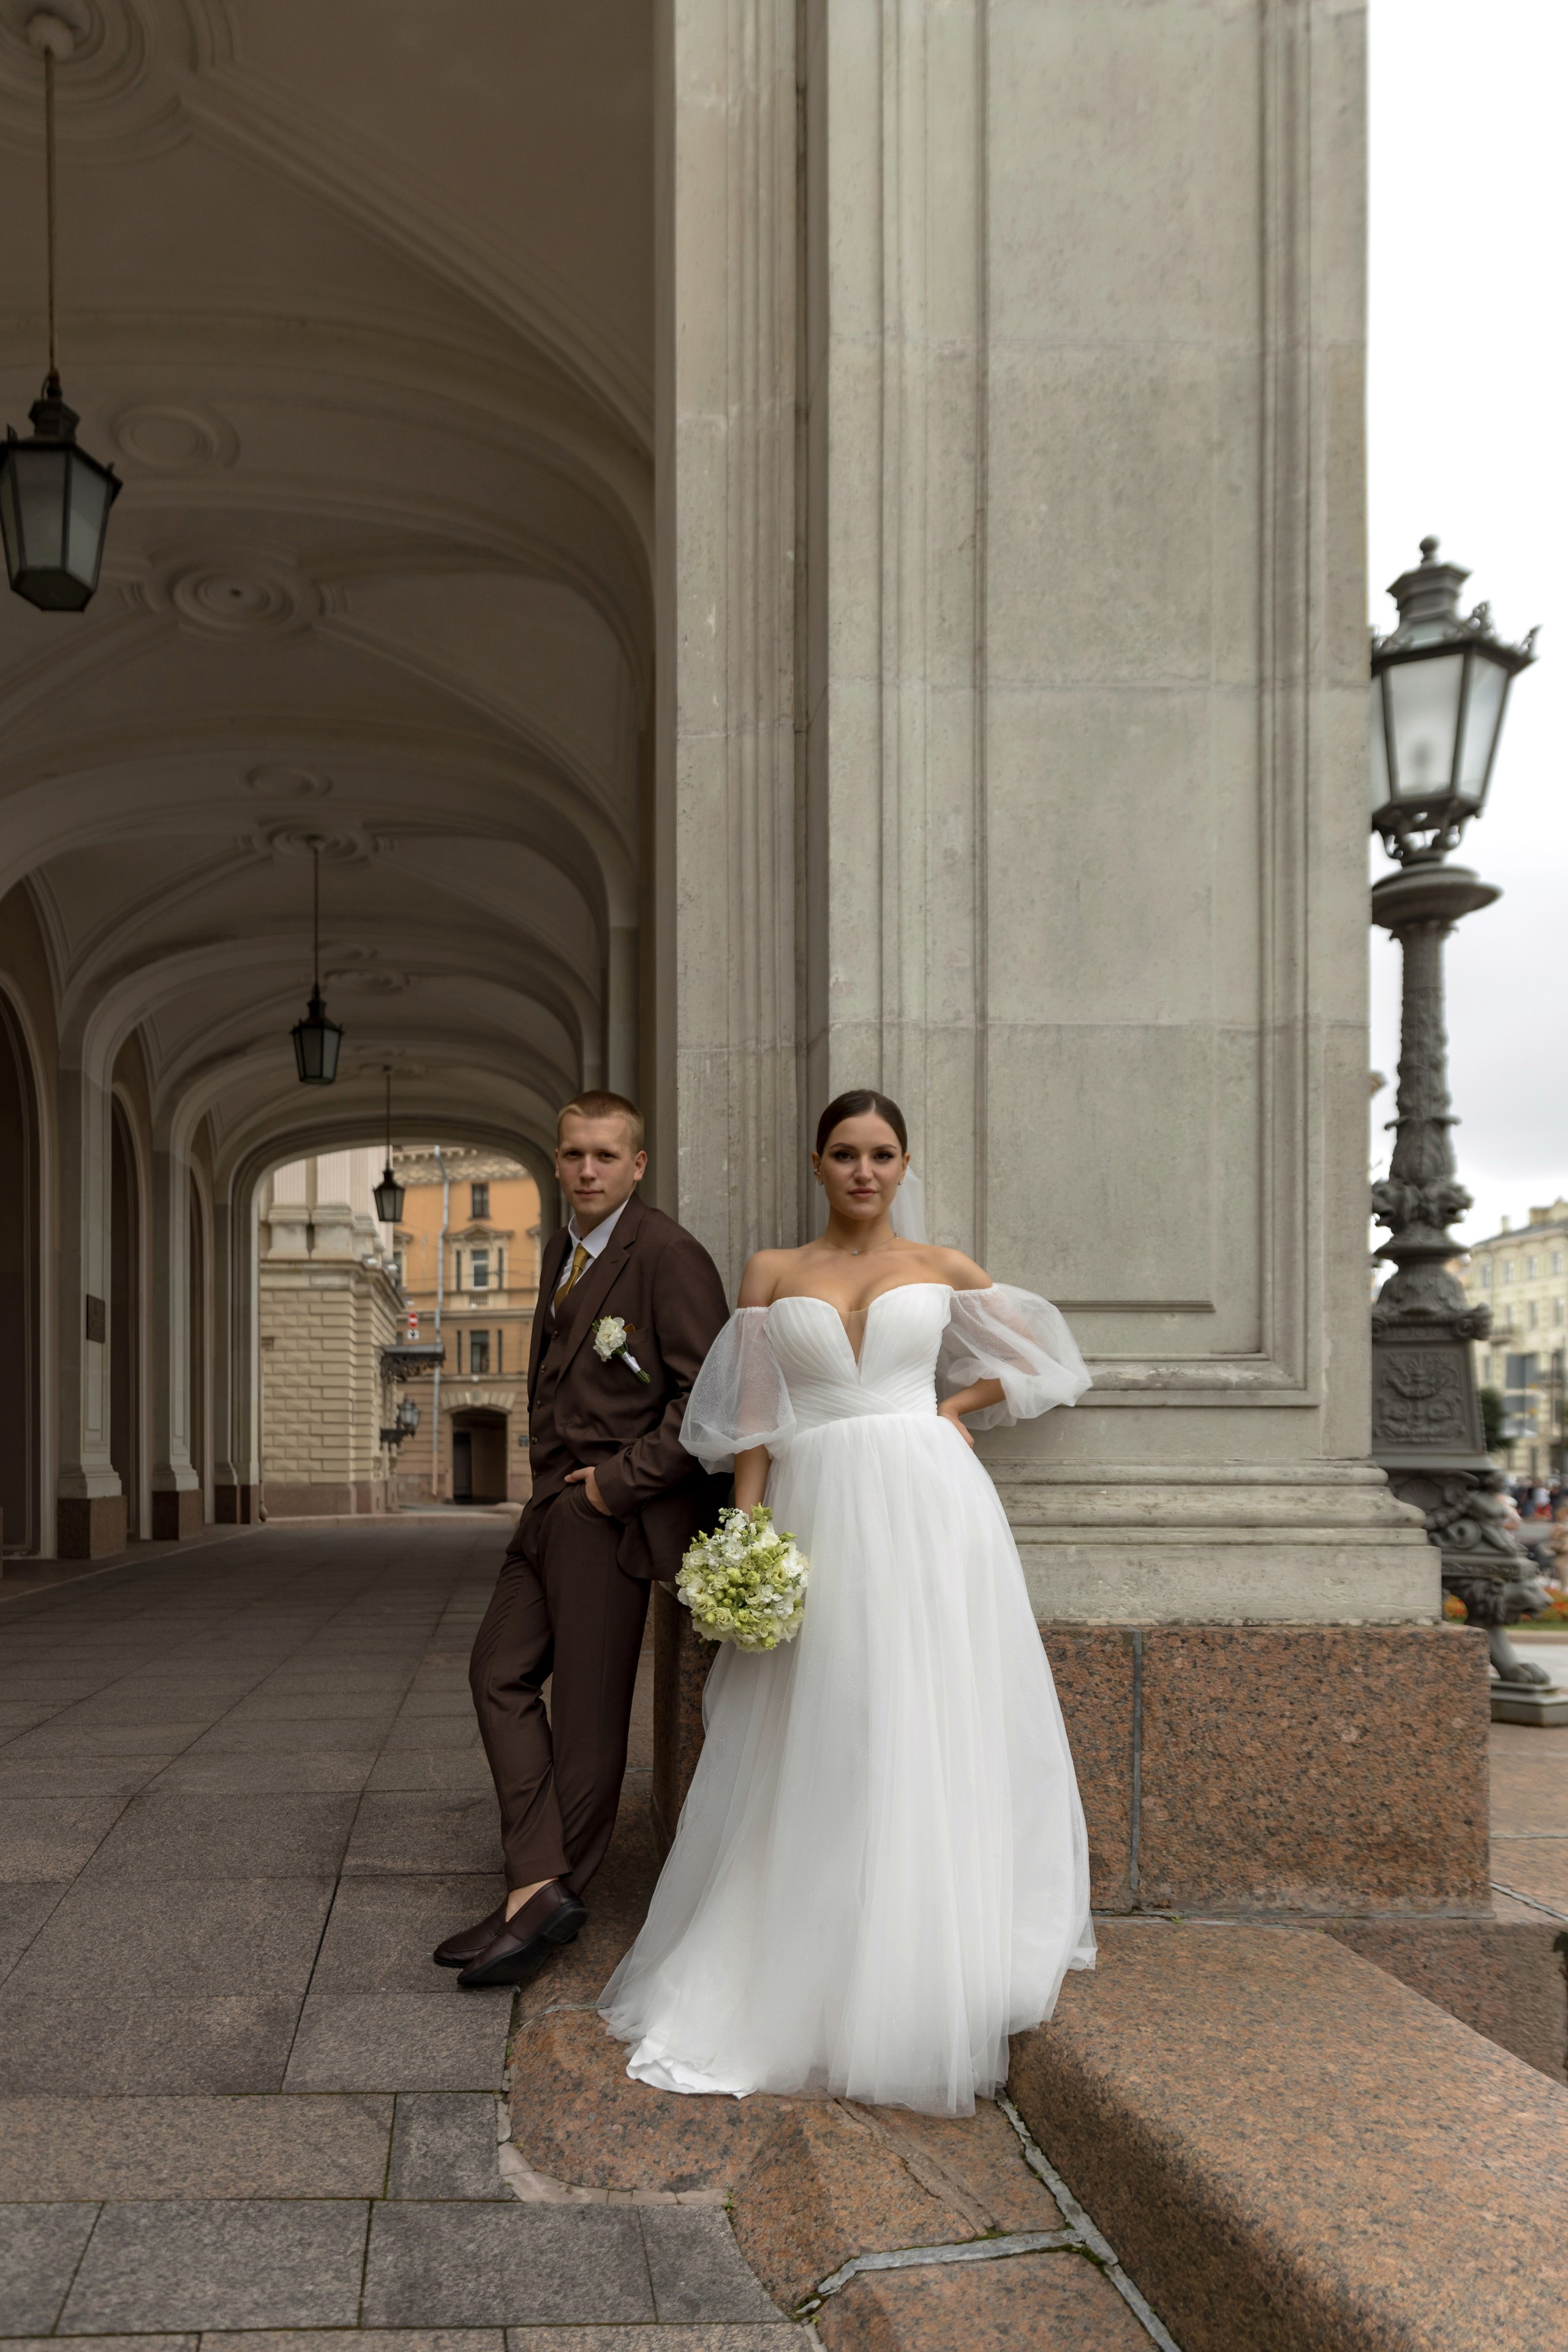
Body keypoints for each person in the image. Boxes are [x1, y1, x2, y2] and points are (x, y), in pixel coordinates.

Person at [599, 1088, 1095, 2116]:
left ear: (904, 1165)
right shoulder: (775, 1274)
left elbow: (1042, 1359)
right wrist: (748, 1537)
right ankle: (811, 1946)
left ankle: (924, 1945)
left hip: (930, 1505)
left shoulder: (942, 1267)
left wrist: (953, 1408)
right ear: (816, 1164)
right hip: (817, 1505)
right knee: (828, 1718)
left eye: (881, 1154)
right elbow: (749, 1424)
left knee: (925, 1707)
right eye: (844, 1154)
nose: (864, 1171)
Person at [434, 1090, 729, 1989]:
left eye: (606, 1156)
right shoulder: (563, 1245)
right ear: (557, 1161)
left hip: (611, 1516)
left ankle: (545, 1897)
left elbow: (710, 1403)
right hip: (550, 1511)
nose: (588, 1170)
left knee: (590, 1721)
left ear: (637, 1165)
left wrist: (612, 1486)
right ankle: (537, 1882)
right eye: (573, 1156)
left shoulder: (668, 1254)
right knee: (496, 1671)